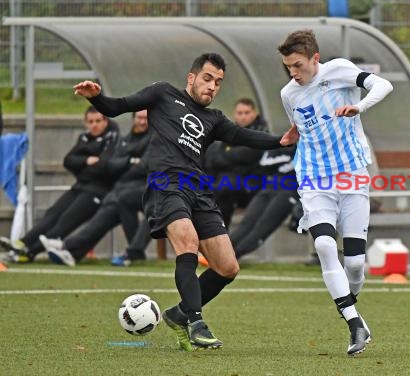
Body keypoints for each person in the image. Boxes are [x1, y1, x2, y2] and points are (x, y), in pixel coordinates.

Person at [72, 53, 286, 351]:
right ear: (192, 78)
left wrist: (282, 140)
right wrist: (97, 98)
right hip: (165, 184)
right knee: (187, 242)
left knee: (227, 267)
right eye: (208, 79)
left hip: (198, 190)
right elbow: (117, 107)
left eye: (218, 83)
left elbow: (243, 136)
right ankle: (196, 322)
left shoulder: (214, 119)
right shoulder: (162, 93)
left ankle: (177, 314)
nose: (212, 87)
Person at [277, 29, 393, 356]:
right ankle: (354, 321)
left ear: (315, 59)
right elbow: (301, 126)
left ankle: (349, 302)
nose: (293, 73)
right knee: (326, 245)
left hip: (352, 174)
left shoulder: (339, 70)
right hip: (314, 179)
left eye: (298, 65)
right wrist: (292, 135)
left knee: (355, 265)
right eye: (289, 67)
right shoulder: (289, 93)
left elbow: (383, 85)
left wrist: (360, 107)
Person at [0, 106, 120, 262]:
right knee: (51, 214)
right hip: (79, 186)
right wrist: (87, 161)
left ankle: (29, 252)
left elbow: (104, 166)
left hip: (97, 191)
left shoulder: (112, 139)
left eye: (98, 121)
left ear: (105, 121)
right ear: (85, 123)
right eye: (90, 121)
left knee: (65, 221)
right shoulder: (84, 138)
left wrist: (82, 164)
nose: (94, 125)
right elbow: (68, 161)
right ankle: (22, 243)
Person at [39, 110, 151, 267]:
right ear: (133, 119)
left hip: (147, 189)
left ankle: (133, 253)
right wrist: (130, 161)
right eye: (139, 117)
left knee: (123, 200)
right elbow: (110, 166)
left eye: (146, 118)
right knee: (104, 217)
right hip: (120, 190)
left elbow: (143, 167)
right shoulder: (125, 140)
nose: (142, 121)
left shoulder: (155, 139)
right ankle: (70, 251)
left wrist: (123, 164)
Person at [205, 98, 268, 227]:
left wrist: (226, 154)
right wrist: (228, 155)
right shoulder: (231, 131)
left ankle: (221, 232)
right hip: (229, 181)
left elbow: (249, 154)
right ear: (235, 114)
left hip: (253, 185)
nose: (243, 116)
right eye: (240, 113)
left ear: (254, 113)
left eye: (247, 112)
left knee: (224, 186)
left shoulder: (261, 132)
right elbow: (215, 157)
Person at [229, 145, 298, 260]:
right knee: (246, 223)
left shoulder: (310, 147)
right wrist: (287, 158)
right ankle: (218, 253)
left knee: (262, 228)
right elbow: (264, 163)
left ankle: (231, 257)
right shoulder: (283, 143)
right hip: (270, 186)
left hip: (289, 190)